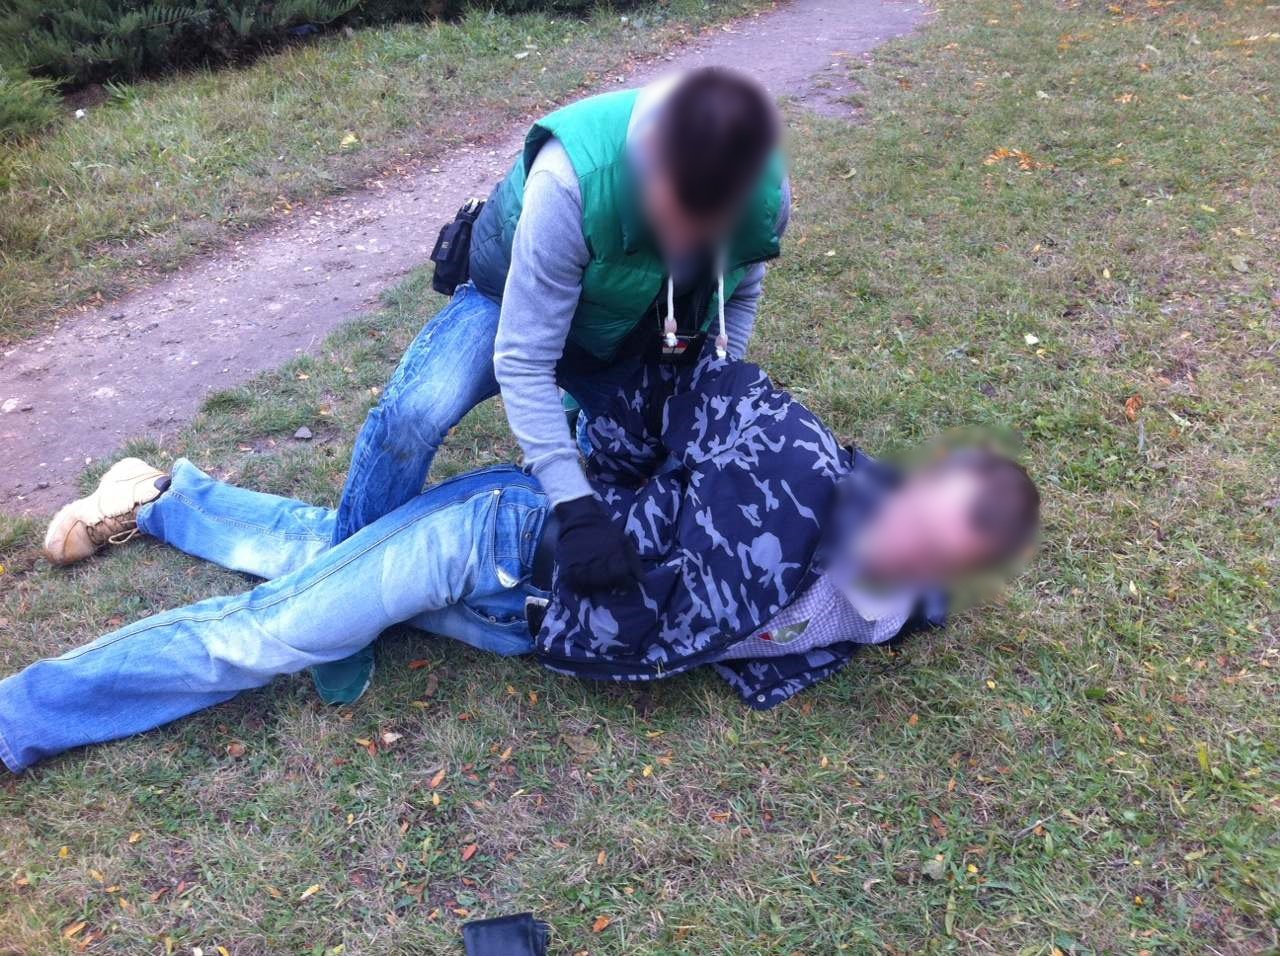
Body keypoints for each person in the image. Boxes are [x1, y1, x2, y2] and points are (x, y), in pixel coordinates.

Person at [11, 346, 1038, 773]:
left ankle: (164, 498)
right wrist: (594, 499)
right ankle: (22, 718)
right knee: (270, 636)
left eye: (942, 548)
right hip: (500, 537)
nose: (910, 542)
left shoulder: (893, 614)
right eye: (923, 513)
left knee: (326, 554)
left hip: (526, 631)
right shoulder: (796, 456)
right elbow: (680, 390)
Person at [312, 66, 791, 703]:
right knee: (416, 412)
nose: (687, 239)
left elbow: (740, 294)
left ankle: (578, 425)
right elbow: (524, 358)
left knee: (647, 458)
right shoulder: (570, 182)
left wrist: (713, 392)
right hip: (511, 295)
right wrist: (576, 508)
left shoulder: (764, 198)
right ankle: (337, 610)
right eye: (676, 217)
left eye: (707, 225)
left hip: (629, 322)